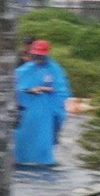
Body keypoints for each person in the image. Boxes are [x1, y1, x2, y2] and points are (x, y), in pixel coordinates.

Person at [15, 38, 72, 168]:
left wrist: (48, 90)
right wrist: (30, 91)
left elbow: (62, 91)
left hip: (48, 112)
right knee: (23, 136)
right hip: (28, 113)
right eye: (36, 55)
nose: (38, 57)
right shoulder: (26, 69)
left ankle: (43, 158)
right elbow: (16, 87)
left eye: (41, 55)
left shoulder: (55, 69)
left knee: (44, 138)